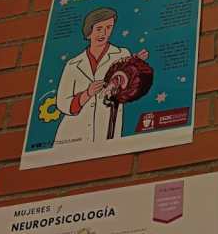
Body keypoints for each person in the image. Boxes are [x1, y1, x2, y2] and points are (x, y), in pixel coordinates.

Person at [55, 8, 148, 145]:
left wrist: (136, 64)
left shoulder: (122, 54)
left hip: (106, 128)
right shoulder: (72, 64)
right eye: (99, 28)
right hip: (73, 133)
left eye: (108, 27)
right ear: (89, 32)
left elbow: (129, 83)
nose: (104, 33)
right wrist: (87, 93)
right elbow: (62, 103)